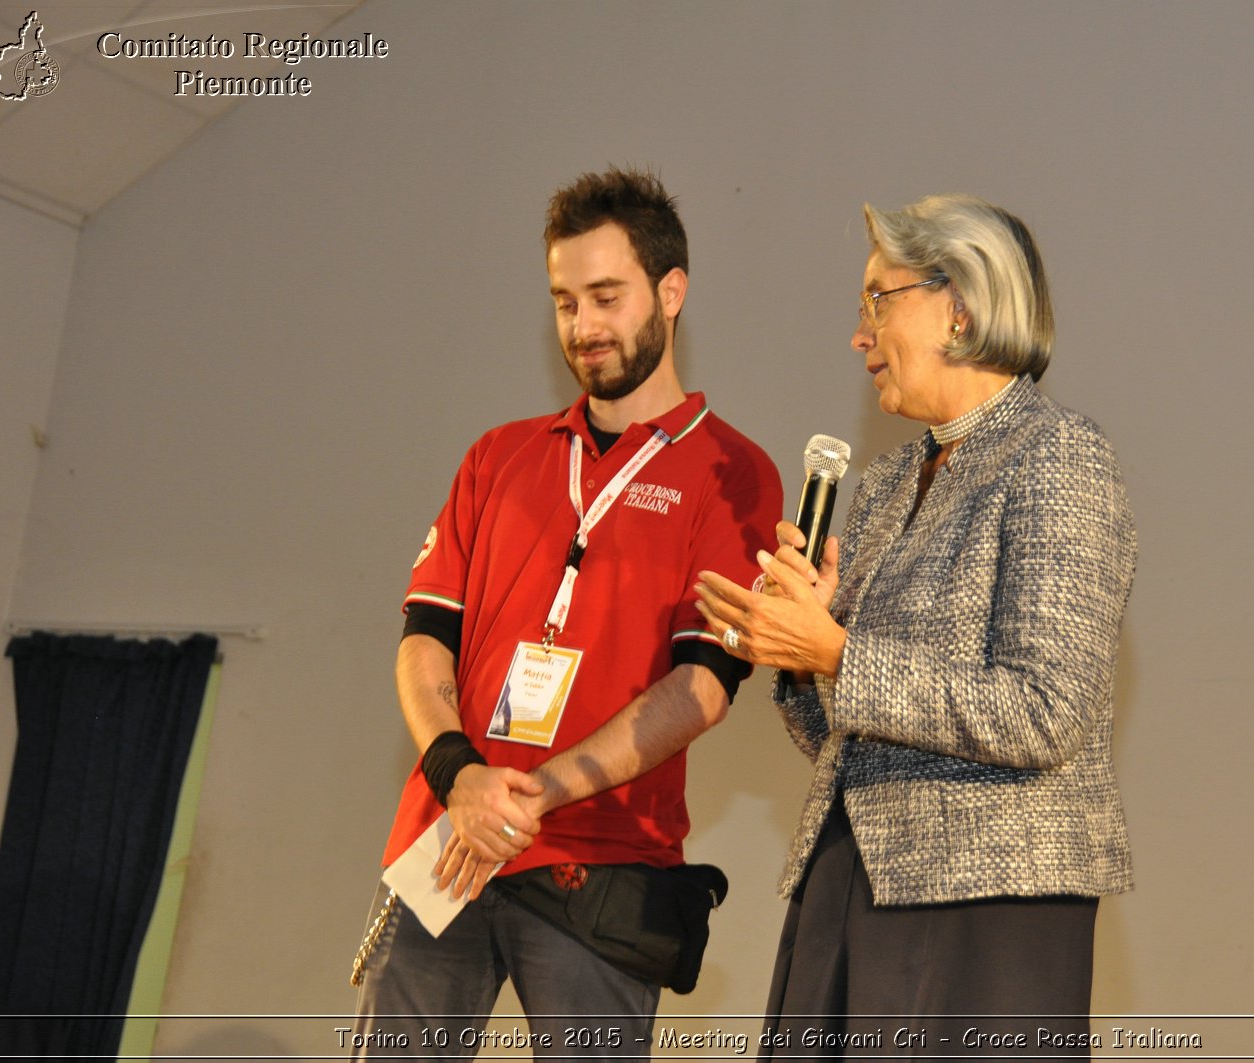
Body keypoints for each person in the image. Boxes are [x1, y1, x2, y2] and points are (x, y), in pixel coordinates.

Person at [350, 167, 783, 1059]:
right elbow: (424, 642)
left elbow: (705, 686)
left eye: (605, 296)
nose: (582, 326)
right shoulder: (499, 457)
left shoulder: (734, 474)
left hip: (604, 866)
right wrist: (461, 773)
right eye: (562, 301)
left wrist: (537, 793)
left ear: (672, 291)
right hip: (448, 841)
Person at [696, 194, 1136, 1057]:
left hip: (988, 902)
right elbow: (844, 731)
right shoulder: (891, 480)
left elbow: (1048, 708)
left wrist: (838, 651)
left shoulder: (1060, 455)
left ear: (961, 305)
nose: (859, 336)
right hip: (851, 877)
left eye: (877, 300)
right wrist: (801, 646)